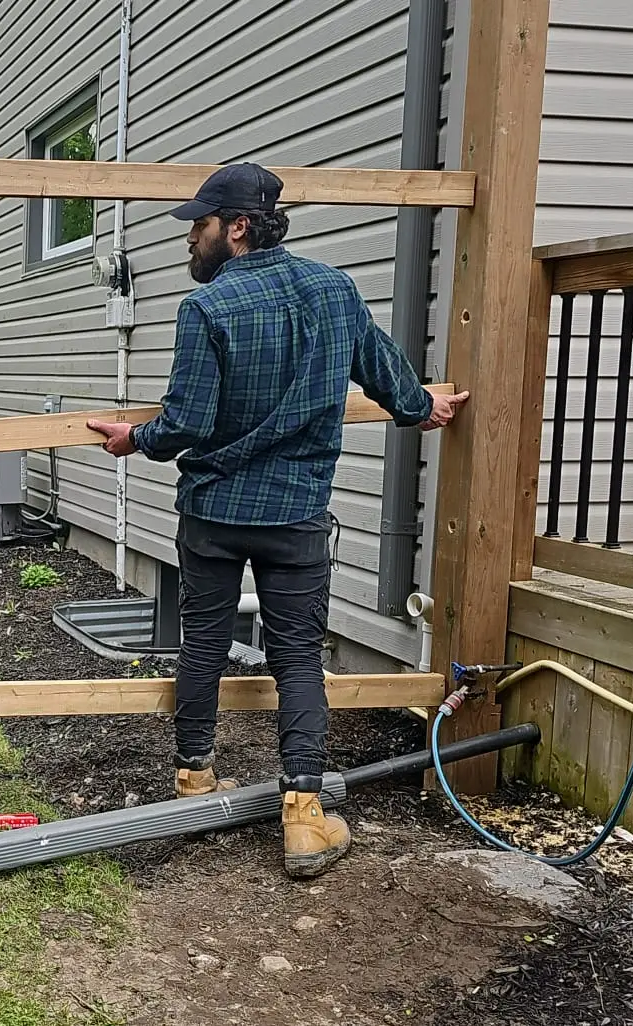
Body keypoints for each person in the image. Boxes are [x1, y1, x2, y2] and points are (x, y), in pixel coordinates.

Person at [86, 163, 468, 880]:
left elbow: (186, 422)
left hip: (214, 511)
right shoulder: (335, 290)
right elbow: (388, 377)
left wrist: (132, 438)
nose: (188, 242)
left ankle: (194, 782)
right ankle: (303, 819)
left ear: (235, 228)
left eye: (198, 227)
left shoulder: (206, 310)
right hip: (294, 513)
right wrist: (428, 408)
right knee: (297, 659)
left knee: (202, 642)